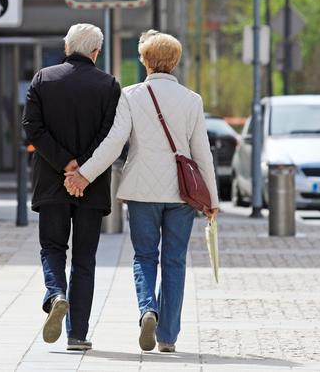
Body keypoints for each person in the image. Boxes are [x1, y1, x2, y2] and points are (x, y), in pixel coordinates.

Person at [64, 30, 218, 353]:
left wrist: (84, 175)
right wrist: (212, 201)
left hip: (141, 192)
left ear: (145, 60)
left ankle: (148, 309)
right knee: (174, 261)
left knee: (145, 256)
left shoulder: (131, 96)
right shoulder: (192, 100)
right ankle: (167, 337)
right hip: (182, 194)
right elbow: (202, 153)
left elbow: (113, 144)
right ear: (175, 61)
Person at [22, 23, 121, 351]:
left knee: (52, 247)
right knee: (84, 260)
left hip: (52, 181)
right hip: (91, 187)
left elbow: (32, 127)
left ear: (68, 47)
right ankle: (77, 334)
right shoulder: (109, 85)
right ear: (96, 52)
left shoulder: (43, 79)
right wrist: (83, 171)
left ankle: (56, 293)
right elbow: (110, 135)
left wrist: (66, 164)